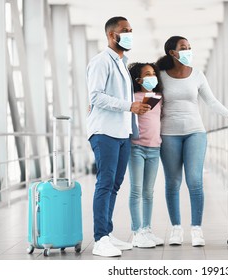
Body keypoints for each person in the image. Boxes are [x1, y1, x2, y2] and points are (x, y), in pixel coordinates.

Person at [156, 36, 228, 247]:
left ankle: (196, 229)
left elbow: (211, 101)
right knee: (173, 182)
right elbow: (145, 96)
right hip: (168, 134)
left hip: (195, 132)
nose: (188, 50)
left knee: (194, 181)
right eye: (184, 48)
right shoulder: (161, 76)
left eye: (190, 47)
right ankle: (176, 228)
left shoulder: (198, 75)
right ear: (172, 53)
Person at [86, 16, 151, 257]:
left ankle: (107, 233)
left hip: (122, 133)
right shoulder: (101, 61)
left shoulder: (123, 63)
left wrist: (135, 109)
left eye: (132, 30)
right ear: (112, 35)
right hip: (105, 132)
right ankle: (100, 238)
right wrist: (129, 106)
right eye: (125, 30)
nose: (130, 34)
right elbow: (96, 97)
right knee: (105, 183)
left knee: (114, 185)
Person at [128, 62, 164, 248]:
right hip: (136, 148)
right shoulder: (133, 97)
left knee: (148, 192)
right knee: (136, 191)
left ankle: (147, 230)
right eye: (147, 74)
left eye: (153, 74)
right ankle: (137, 232)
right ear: (139, 80)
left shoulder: (158, 97)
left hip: (154, 149)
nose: (152, 77)